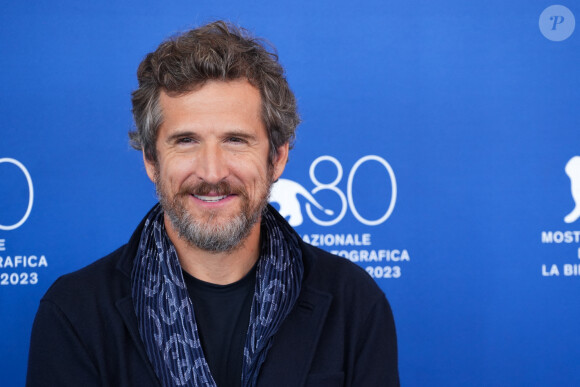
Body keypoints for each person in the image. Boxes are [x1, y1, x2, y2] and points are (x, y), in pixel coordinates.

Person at [26, 21, 399, 387]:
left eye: (236, 140)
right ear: (151, 161)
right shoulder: (75, 313)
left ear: (278, 157)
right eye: (186, 140)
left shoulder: (354, 305)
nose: (211, 171)